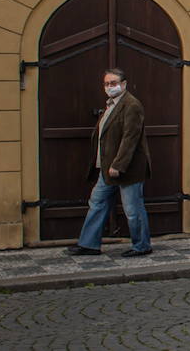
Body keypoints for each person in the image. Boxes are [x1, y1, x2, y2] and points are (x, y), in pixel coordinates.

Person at [66, 68, 153, 257]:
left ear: (124, 84)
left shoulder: (131, 105)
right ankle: (89, 244)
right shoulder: (110, 104)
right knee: (97, 202)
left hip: (126, 169)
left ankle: (142, 245)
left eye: (113, 83)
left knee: (132, 209)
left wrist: (118, 164)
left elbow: (130, 138)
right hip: (106, 167)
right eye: (106, 84)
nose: (109, 87)